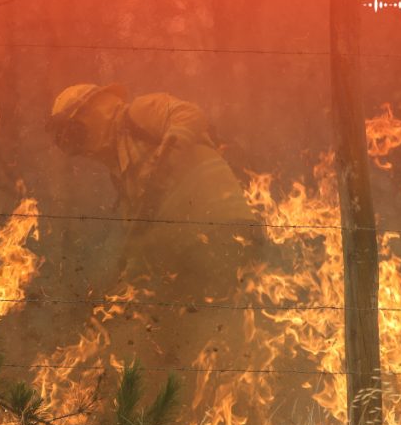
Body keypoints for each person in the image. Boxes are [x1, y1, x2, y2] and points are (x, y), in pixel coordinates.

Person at [47, 84, 259, 302]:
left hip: (219, 223)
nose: (81, 150)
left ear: (95, 112)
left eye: (75, 135)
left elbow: (189, 114)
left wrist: (168, 156)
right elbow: (140, 235)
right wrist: (129, 276)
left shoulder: (138, 113)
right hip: (192, 247)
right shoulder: (123, 173)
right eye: (70, 144)